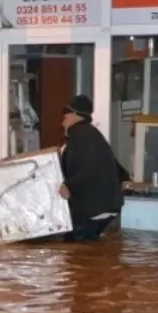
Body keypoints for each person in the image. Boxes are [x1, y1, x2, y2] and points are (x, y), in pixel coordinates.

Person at [58, 95, 124, 242]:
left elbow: (90, 165)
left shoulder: (79, 135)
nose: (63, 122)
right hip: (108, 206)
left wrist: (69, 185)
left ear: (75, 114)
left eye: (66, 115)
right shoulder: (92, 134)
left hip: (92, 208)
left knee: (74, 254)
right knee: (88, 253)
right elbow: (113, 165)